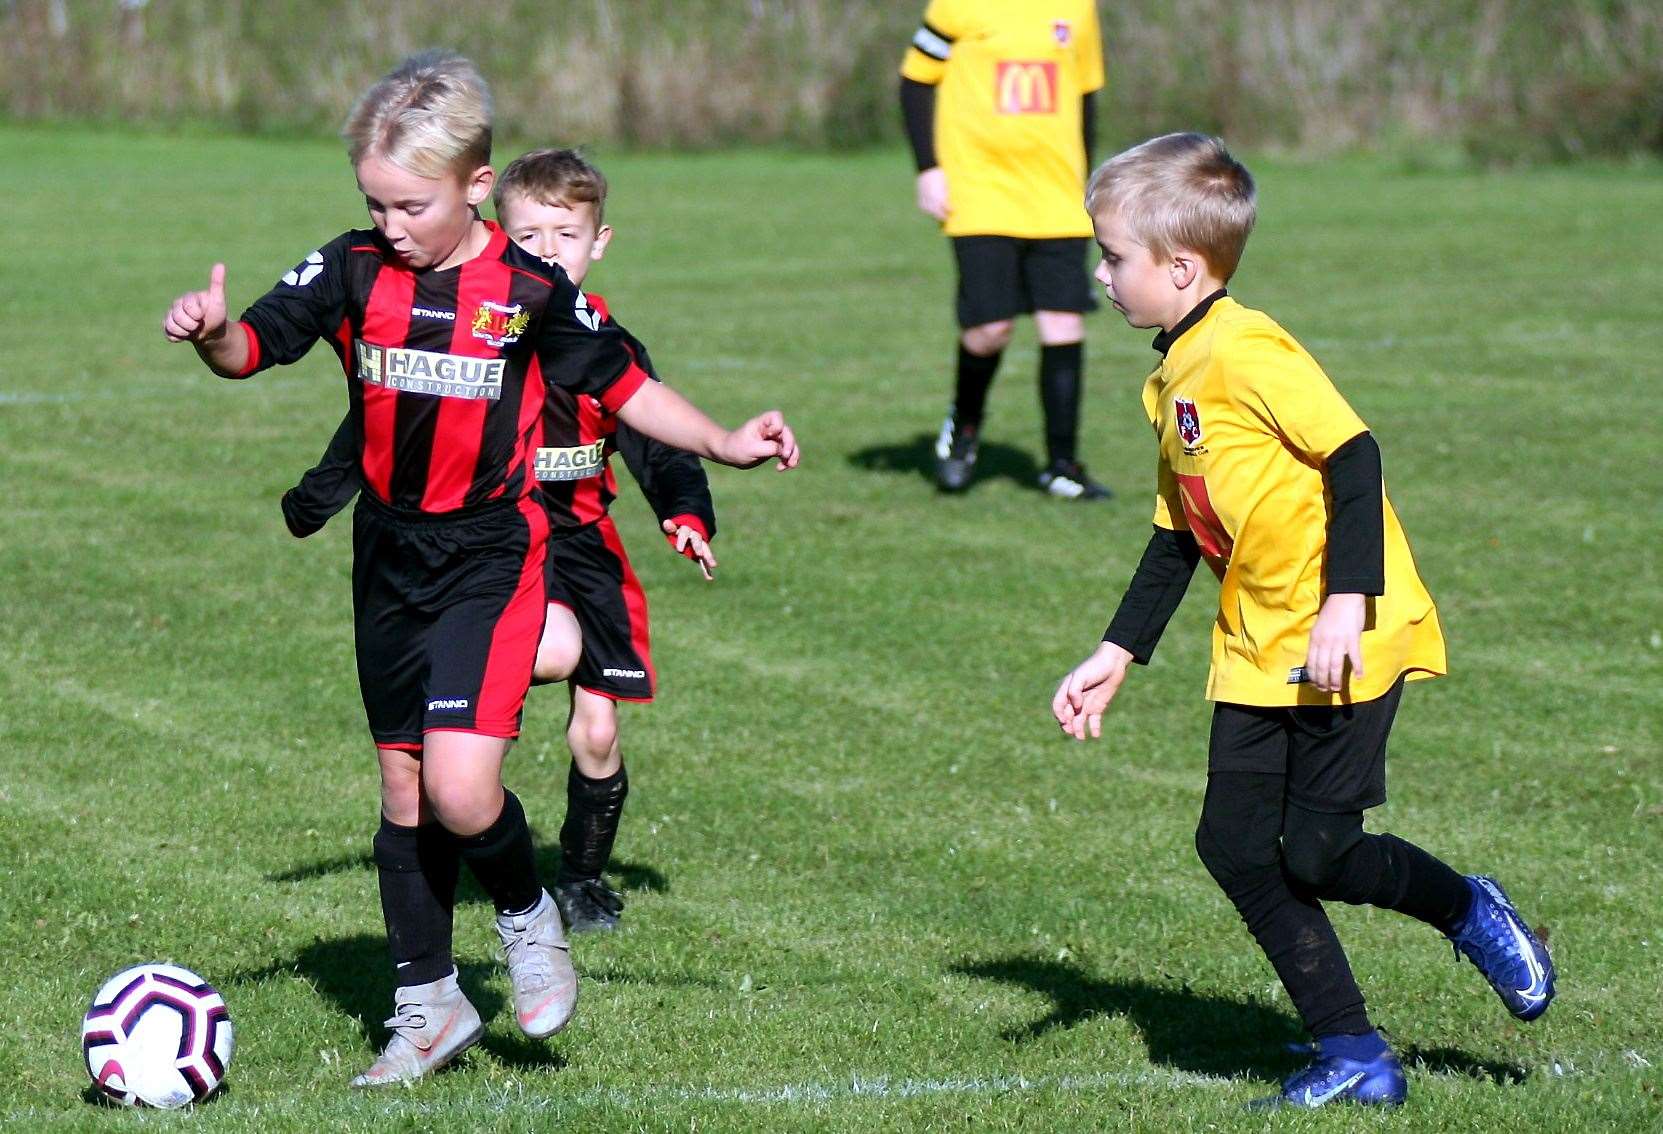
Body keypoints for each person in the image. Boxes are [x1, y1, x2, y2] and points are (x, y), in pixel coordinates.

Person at [161, 52, 798, 1088]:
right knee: (405, 791)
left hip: (491, 560)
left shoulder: (531, 289)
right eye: (374, 202)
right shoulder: (354, 268)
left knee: (463, 788)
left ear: (473, 183)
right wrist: (216, 331)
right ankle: (427, 1007)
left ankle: (525, 913)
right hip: (389, 558)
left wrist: (724, 443)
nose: (390, 223)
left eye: (410, 204)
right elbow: (256, 349)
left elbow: (630, 387)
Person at [1051, 133, 1554, 1109]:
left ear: (1181, 267)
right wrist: (1116, 651)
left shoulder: (1245, 350)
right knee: (1234, 845)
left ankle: (1466, 908)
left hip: (1341, 637)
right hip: (1254, 643)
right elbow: (1176, 534)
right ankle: (1355, 1057)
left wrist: (1342, 603)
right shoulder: (1172, 376)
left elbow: (1354, 456)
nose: (1099, 273)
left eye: (1112, 256)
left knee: (1319, 853)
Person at [283, 147, 720, 935]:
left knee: (595, 731)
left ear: (599, 241)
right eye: (531, 234)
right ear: (500, 235)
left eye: (566, 233)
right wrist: (320, 494)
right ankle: (480, 810)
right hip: (501, 546)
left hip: (585, 548)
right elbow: (384, 427)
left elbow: (659, 444)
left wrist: (684, 512)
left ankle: (581, 882)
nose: (548, 250)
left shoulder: (603, 342)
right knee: (521, 677)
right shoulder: (484, 331)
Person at [899, 0, 1109, 498]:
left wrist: (1088, 180)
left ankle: (1062, 466)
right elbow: (914, 81)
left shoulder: (1079, 8)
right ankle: (963, 430)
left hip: (1057, 193)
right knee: (989, 328)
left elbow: (1085, 96)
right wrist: (929, 168)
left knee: (1063, 323)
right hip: (980, 189)